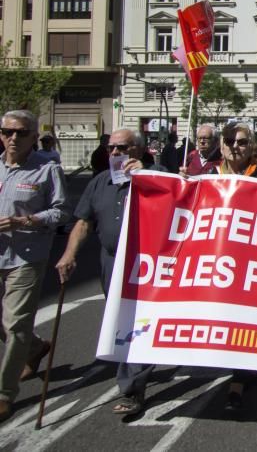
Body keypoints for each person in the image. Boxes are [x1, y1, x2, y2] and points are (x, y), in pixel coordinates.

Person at [54, 127, 163, 416]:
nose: (115, 153)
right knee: (118, 320)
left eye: (122, 148)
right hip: (110, 260)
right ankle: (135, 372)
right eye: (111, 148)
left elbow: (180, 195)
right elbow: (84, 222)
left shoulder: (157, 176)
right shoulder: (101, 181)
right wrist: (69, 254)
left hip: (144, 264)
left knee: (135, 323)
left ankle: (132, 387)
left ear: (139, 150)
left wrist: (148, 177)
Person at [200, 122, 257, 410]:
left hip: (253, 262)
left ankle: (240, 378)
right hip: (218, 260)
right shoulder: (208, 175)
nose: (236, 146)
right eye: (230, 141)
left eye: (243, 142)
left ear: (252, 146)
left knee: (246, 319)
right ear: (221, 145)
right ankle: (243, 368)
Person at [0, 110, 70, 422]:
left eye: (21, 132)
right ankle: (35, 348)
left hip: (26, 257)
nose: (13, 138)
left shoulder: (47, 169)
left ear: (33, 136)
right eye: (7, 131)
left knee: (15, 324)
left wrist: (25, 220)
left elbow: (61, 213)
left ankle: (4, 393)